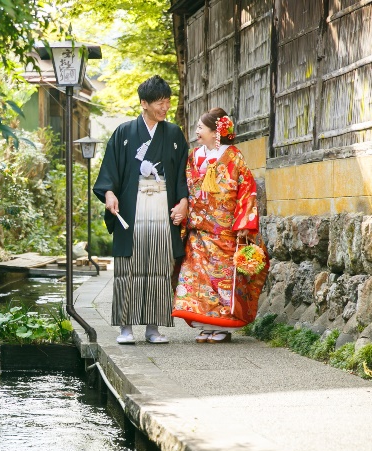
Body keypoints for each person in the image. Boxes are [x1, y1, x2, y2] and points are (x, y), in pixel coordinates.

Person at [93, 76, 189, 345]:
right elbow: (109, 171)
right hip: (132, 206)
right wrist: (109, 194)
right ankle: (125, 327)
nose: (165, 107)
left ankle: (153, 328)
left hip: (161, 205)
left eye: (168, 101)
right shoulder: (124, 132)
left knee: (159, 265)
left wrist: (183, 201)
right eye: (160, 102)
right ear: (144, 104)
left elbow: (184, 172)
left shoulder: (172, 134)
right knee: (129, 267)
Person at [172, 108, 269, 343]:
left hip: (224, 231)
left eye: (201, 128)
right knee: (198, 279)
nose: (196, 131)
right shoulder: (194, 156)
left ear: (217, 132)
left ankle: (222, 326)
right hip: (198, 229)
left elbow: (247, 190)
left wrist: (245, 221)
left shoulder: (233, 156)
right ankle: (205, 324)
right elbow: (185, 186)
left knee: (222, 279)